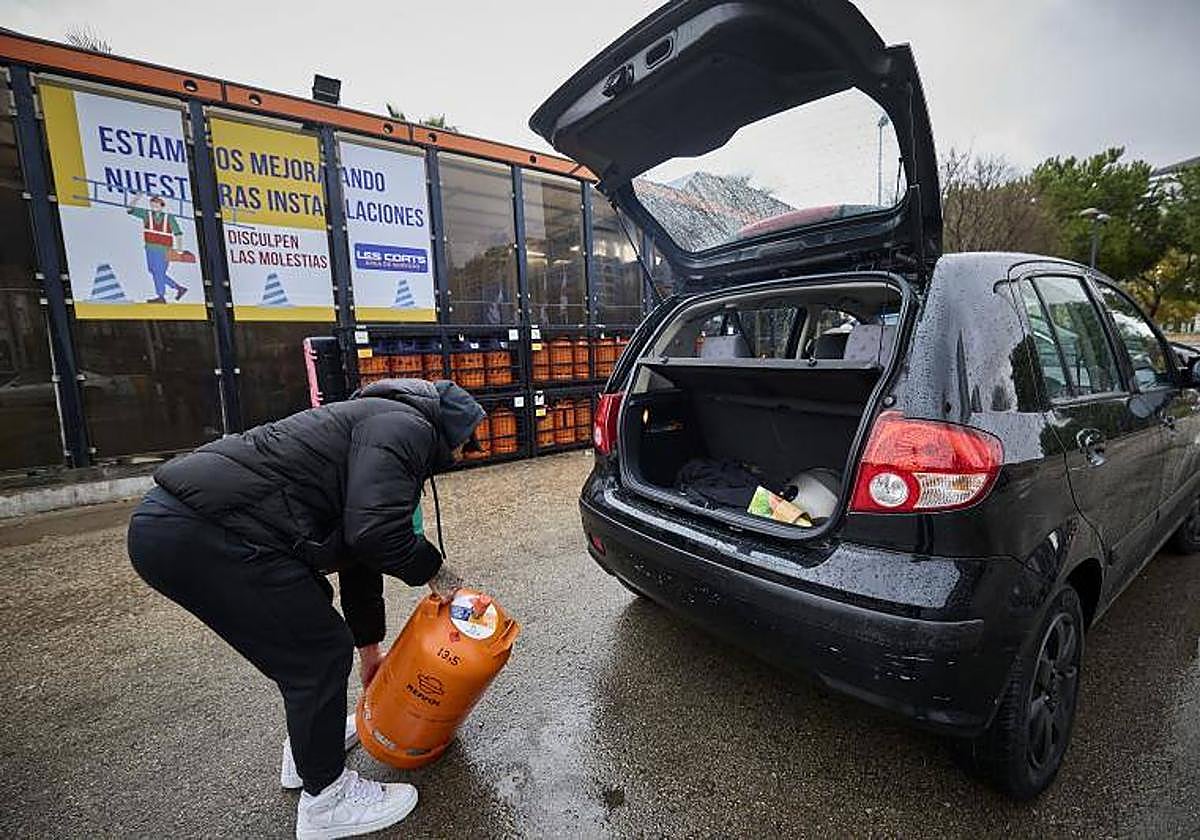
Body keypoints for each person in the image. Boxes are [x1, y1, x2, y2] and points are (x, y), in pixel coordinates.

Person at [127, 378, 485, 839]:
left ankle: (308, 753)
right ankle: (327, 803)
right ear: (453, 433)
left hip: (185, 526)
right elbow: (376, 533)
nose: (463, 458)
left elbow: (360, 555)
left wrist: (370, 651)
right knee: (316, 653)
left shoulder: (376, 422)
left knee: (311, 623)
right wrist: (439, 575)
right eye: (466, 447)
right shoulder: (407, 429)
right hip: (200, 531)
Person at [127, 193, 188, 303]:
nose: (154, 206)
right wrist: (137, 197)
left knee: (158, 272)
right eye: (152, 204)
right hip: (150, 248)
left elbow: (178, 233)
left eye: (156, 204)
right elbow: (130, 210)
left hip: (164, 249)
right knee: (153, 271)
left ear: (162, 205)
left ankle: (161, 296)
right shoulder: (147, 215)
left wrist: (179, 250)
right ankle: (179, 288)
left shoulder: (169, 218)